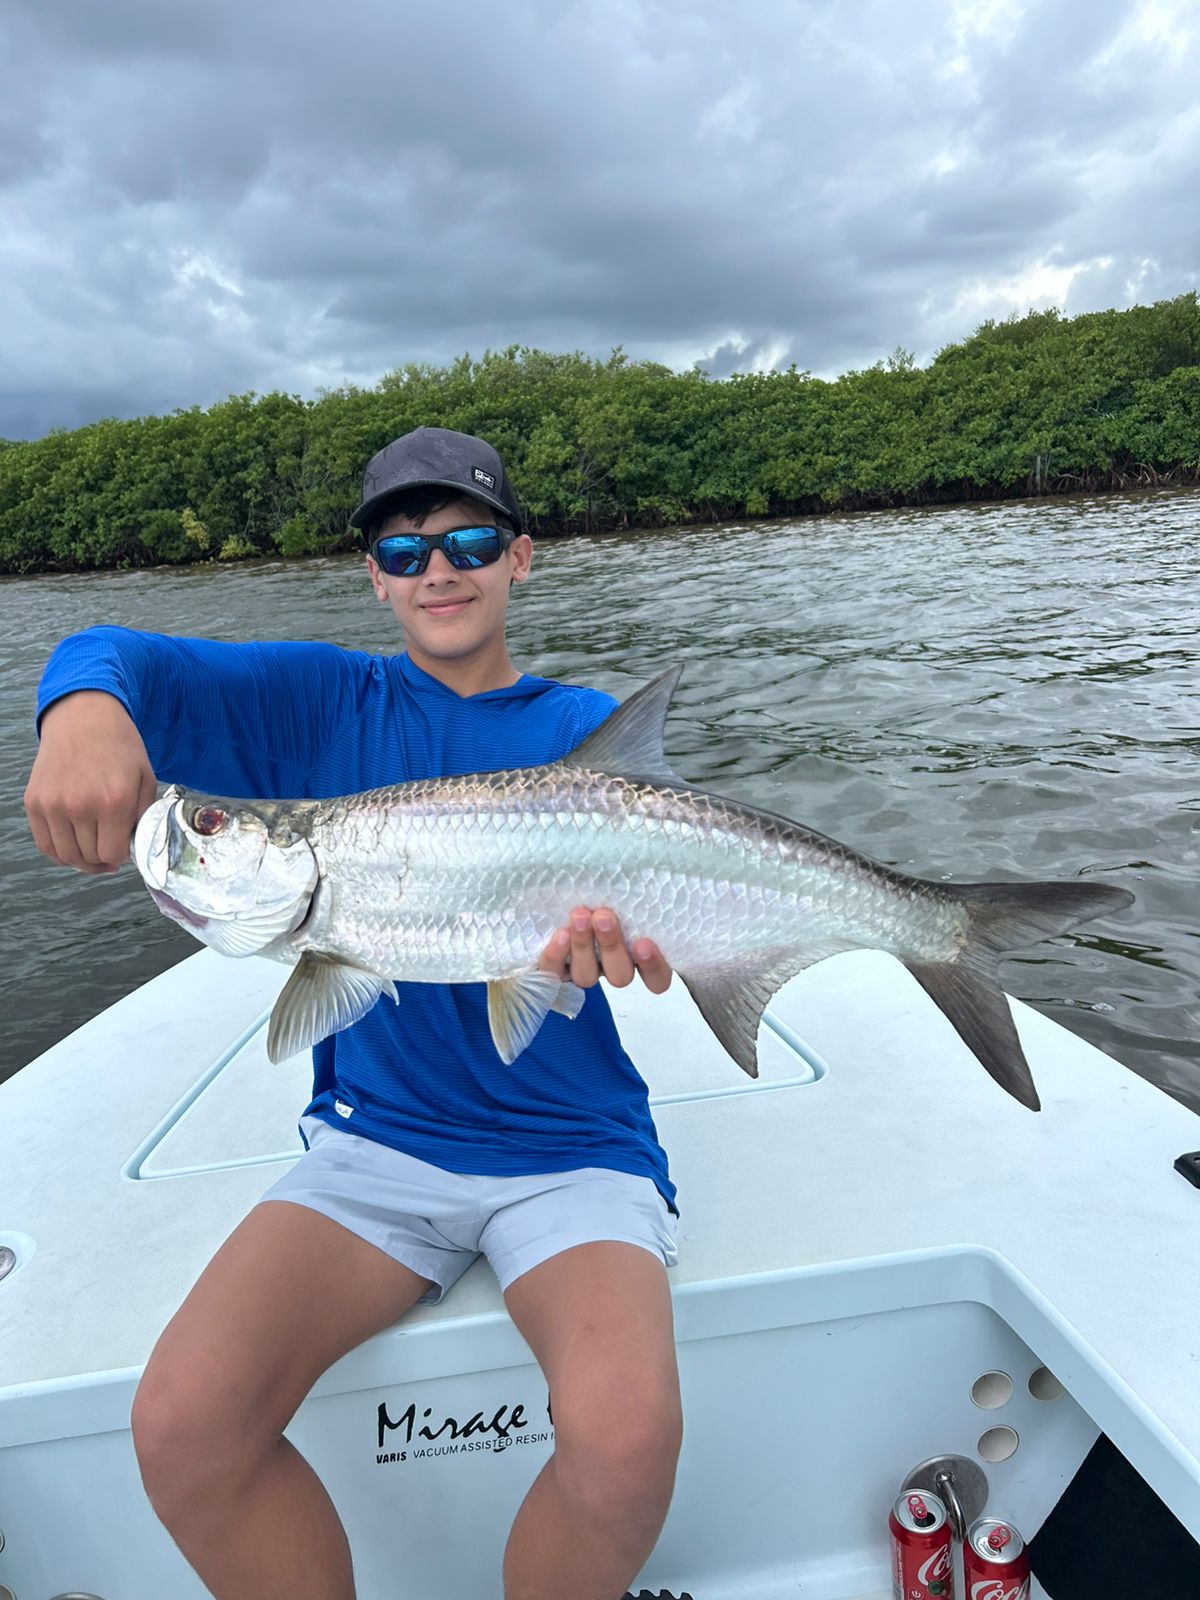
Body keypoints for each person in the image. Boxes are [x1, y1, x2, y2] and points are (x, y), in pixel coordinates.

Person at [23, 427, 684, 1600]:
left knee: (628, 1441)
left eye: (471, 539)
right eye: (405, 546)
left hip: (574, 1156)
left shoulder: (578, 732)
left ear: (521, 558)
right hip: (377, 1149)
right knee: (183, 1423)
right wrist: (80, 711)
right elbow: (117, 653)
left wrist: (631, 945)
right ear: (373, 575)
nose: (441, 568)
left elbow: (663, 906)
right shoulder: (326, 702)